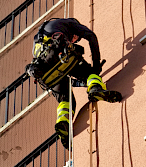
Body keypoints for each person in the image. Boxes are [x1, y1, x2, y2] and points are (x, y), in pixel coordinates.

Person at [26, 18, 122, 149]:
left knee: (66, 99)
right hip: (63, 58)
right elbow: (91, 36)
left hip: (47, 72)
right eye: (76, 39)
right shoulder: (70, 24)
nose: (75, 40)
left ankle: (63, 122)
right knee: (90, 74)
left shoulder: (41, 36)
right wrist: (96, 65)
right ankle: (95, 89)